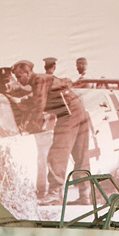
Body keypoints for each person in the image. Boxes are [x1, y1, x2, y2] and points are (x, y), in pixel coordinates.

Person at [12, 59, 90, 202]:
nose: (18, 80)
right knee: (80, 154)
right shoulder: (42, 80)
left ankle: (54, 194)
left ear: (28, 73)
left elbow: (39, 105)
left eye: (19, 76)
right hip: (79, 111)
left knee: (58, 152)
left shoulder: (39, 80)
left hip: (68, 113)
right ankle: (84, 195)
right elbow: (37, 99)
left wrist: (29, 128)